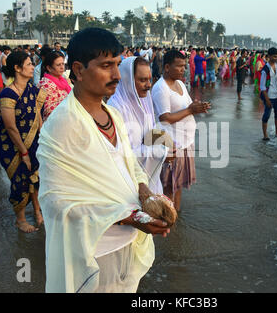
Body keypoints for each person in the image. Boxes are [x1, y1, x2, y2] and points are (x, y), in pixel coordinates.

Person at [37, 28, 170, 293]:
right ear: (78, 69)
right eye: (106, 66)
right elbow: (56, 200)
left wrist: (145, 193)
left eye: (118, 65)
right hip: (94, 247)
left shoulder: (112, 114)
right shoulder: (63, 123)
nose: (117, 75)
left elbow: (129, 164)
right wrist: (127, 217)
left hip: (128, 242)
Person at [0, 51, 46, 233]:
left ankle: (38, 212)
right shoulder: (8, 93)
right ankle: (20, 219)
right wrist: (24, 153)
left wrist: (42, 140)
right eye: (29, 64)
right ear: (17, 68)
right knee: (20, 179)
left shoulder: (33, 91)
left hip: (33, 142)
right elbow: (10, 126)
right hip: (11, 144)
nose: (33, 67)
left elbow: (38, 117)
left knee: (36, 178)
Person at [152, 50, 211, 212]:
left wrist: (198, 106)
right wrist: (191, 110)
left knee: (178, 184)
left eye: (184, 66)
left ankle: (175, 214)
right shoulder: (161, 88)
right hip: (171, 143)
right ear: (166, 67)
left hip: (185, 142)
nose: (183, 69)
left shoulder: (180, 84)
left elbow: (187, 106)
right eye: (179, 66)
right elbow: (165, 118)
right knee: (169, 186)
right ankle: (167, 220)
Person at [108, 56, 169, 194]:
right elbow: (119, 156)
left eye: (149, 79)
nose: (148, 85)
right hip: (128, 186)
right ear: (127, 80)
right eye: (142, 80)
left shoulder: (145, 101)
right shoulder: (116, 107)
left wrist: (167, 141)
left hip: (150, 179)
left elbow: (149, 132)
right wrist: (162, 152)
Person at [38, 51, 71, 122]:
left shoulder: (62, 80)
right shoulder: (46, 84)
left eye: (63, 64)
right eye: (58, 65)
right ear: (49, 68)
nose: (62, 67)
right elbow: (48, 110)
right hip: (54, 124)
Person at [260, 48, 277, 140]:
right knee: (266, 115)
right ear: (268, 56)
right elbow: (262, 86)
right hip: (269, 96)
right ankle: (265, 135)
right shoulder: (265, 69)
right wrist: (267, 99)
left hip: (276, 94)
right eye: (274, 56)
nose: (276, 58)